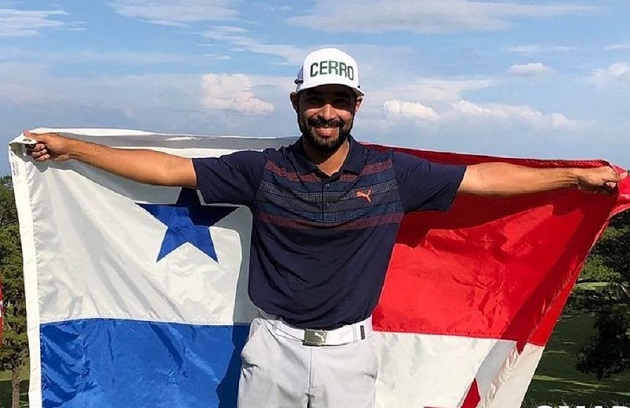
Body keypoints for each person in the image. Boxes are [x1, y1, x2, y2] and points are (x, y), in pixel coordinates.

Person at [25, 47, 625, 408]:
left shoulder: (396, 174)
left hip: (351, 353)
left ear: (356, 106)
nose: (327, 111)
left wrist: (572, 178)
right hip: (273, 348)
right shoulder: (262, 170)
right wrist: (77, 148)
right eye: (317, 98)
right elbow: (165, 169)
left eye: (339, 99)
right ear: (296, 103)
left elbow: (482, 180)